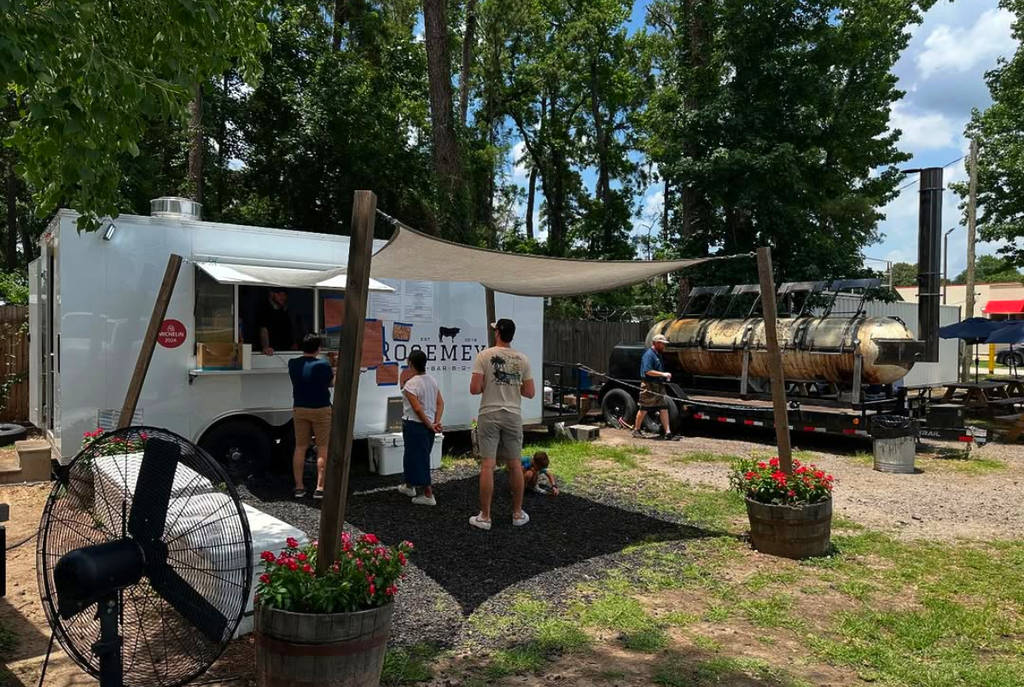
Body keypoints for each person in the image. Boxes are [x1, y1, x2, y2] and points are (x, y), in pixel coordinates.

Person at [469, 318, 535, 530]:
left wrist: (488, 386)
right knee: (515, 464)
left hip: (489, 412)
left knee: (487, 465)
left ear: (497, 332)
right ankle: (517, 514)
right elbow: (530, 392)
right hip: (513, 414)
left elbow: (474, 388)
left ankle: (485, 516)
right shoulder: (522, 359)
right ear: (512, 335)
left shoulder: (484, 356)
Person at [288, 333, 334, 499]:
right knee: (323, 447)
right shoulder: (323, 364)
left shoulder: (292, 363)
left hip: (300, 408)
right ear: (318, 348)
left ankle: (299, 486)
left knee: (300, 447)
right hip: (321, 408)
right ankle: (320, 487)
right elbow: (330, 383)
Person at [397, 349, 444, 506]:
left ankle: (428, 494)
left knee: (418, 458)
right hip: (428, 425)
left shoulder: (411, 384)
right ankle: (409, 485)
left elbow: (417, 409)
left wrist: (430, 424)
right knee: (416, 456)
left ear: (410, 363)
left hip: (414, 424)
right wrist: (435, 422)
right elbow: (440, 403)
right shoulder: (432, 380)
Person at [633, 334, 675, 440]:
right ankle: (636, 430)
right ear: (656, 343)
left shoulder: (658, 354)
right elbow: (648, 371)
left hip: (659, 385)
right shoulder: (649, 355)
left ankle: (668, 432)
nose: (664, 346)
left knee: (663, 408)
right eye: (662, 344)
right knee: (644, 408)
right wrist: (663, 374)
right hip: (649, 385)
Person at [259, 288, 296, 355]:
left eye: (284, 295)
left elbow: (289, 329)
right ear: (271, 294)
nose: (283, 297)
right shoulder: (264, 310)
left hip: (287, 352)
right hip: (271, 354)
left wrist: (293, 343)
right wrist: (266, 347)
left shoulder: (284, 311)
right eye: (279, 294)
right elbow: (263, 330)